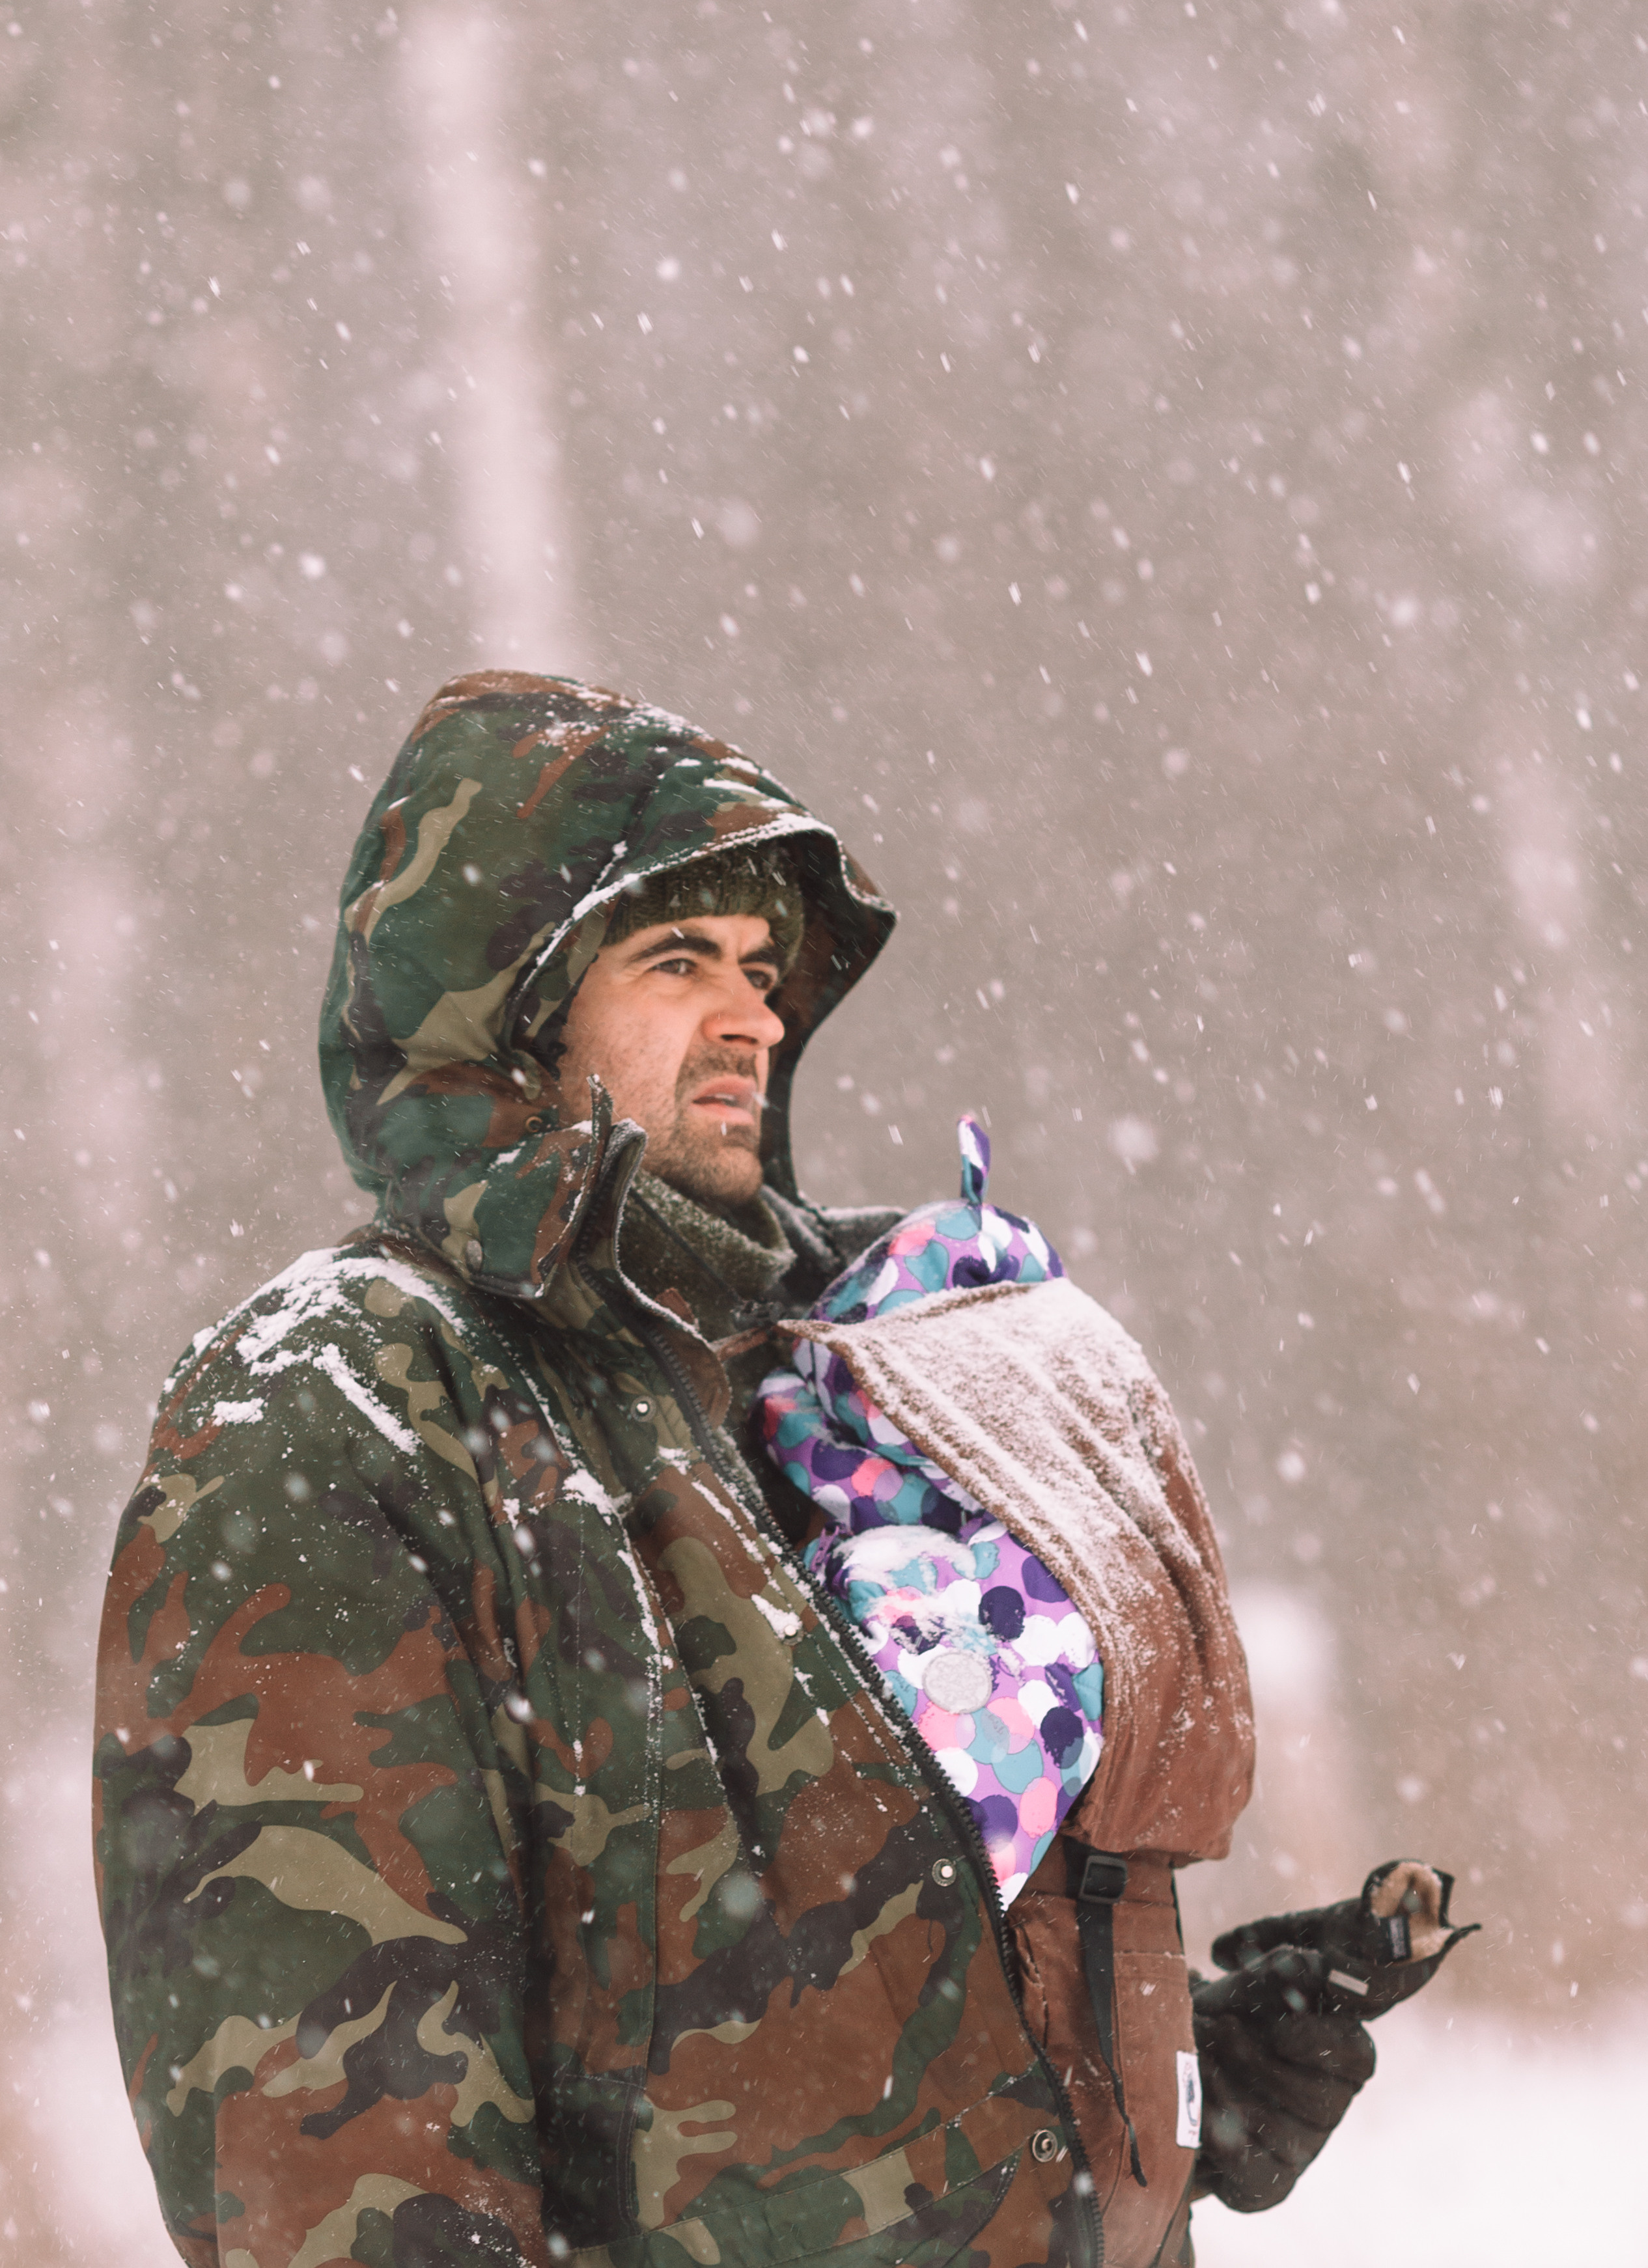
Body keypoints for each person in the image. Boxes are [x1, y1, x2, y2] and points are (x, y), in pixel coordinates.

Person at [94, 671, 1466, 2268]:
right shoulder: (351, 1404)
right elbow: (334, 2165)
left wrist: (1165, 2082)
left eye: (762, 967)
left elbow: (780, 2031)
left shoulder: (819, 1378)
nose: (753, 1011)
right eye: (678, 959)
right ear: (505, 1006)